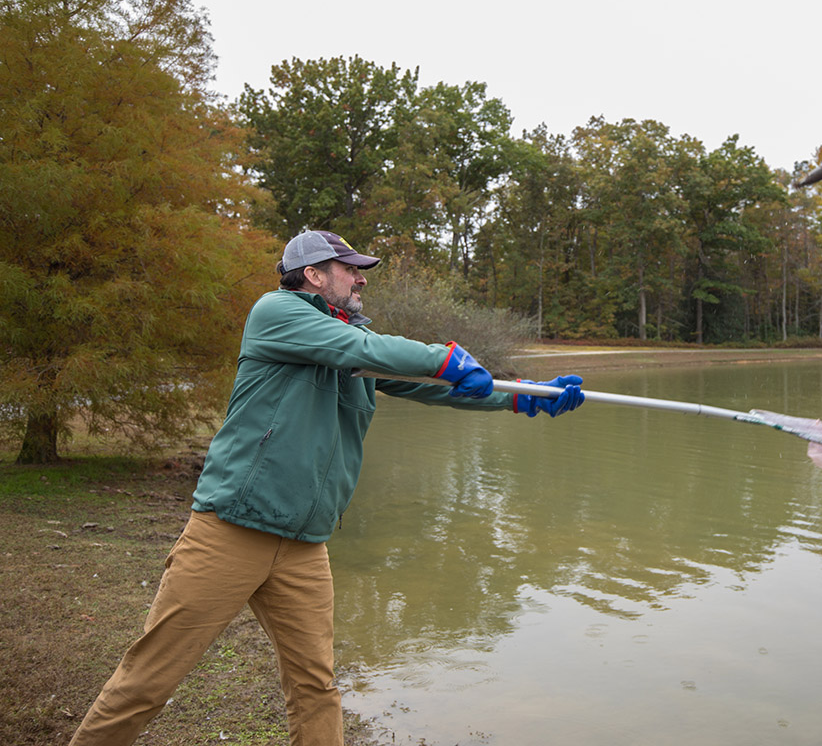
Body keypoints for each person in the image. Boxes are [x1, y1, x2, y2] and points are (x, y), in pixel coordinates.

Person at [69, 230, 584, 746]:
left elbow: (430, 385)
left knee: (316, 686)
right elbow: (363, 348)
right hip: (231, 531)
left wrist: (522, 398)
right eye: (350, 268)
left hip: (304, 544)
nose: (361, 278)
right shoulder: (278, 313)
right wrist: (443, 356)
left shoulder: (350, 342)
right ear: (313, 274)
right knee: (149, 681)